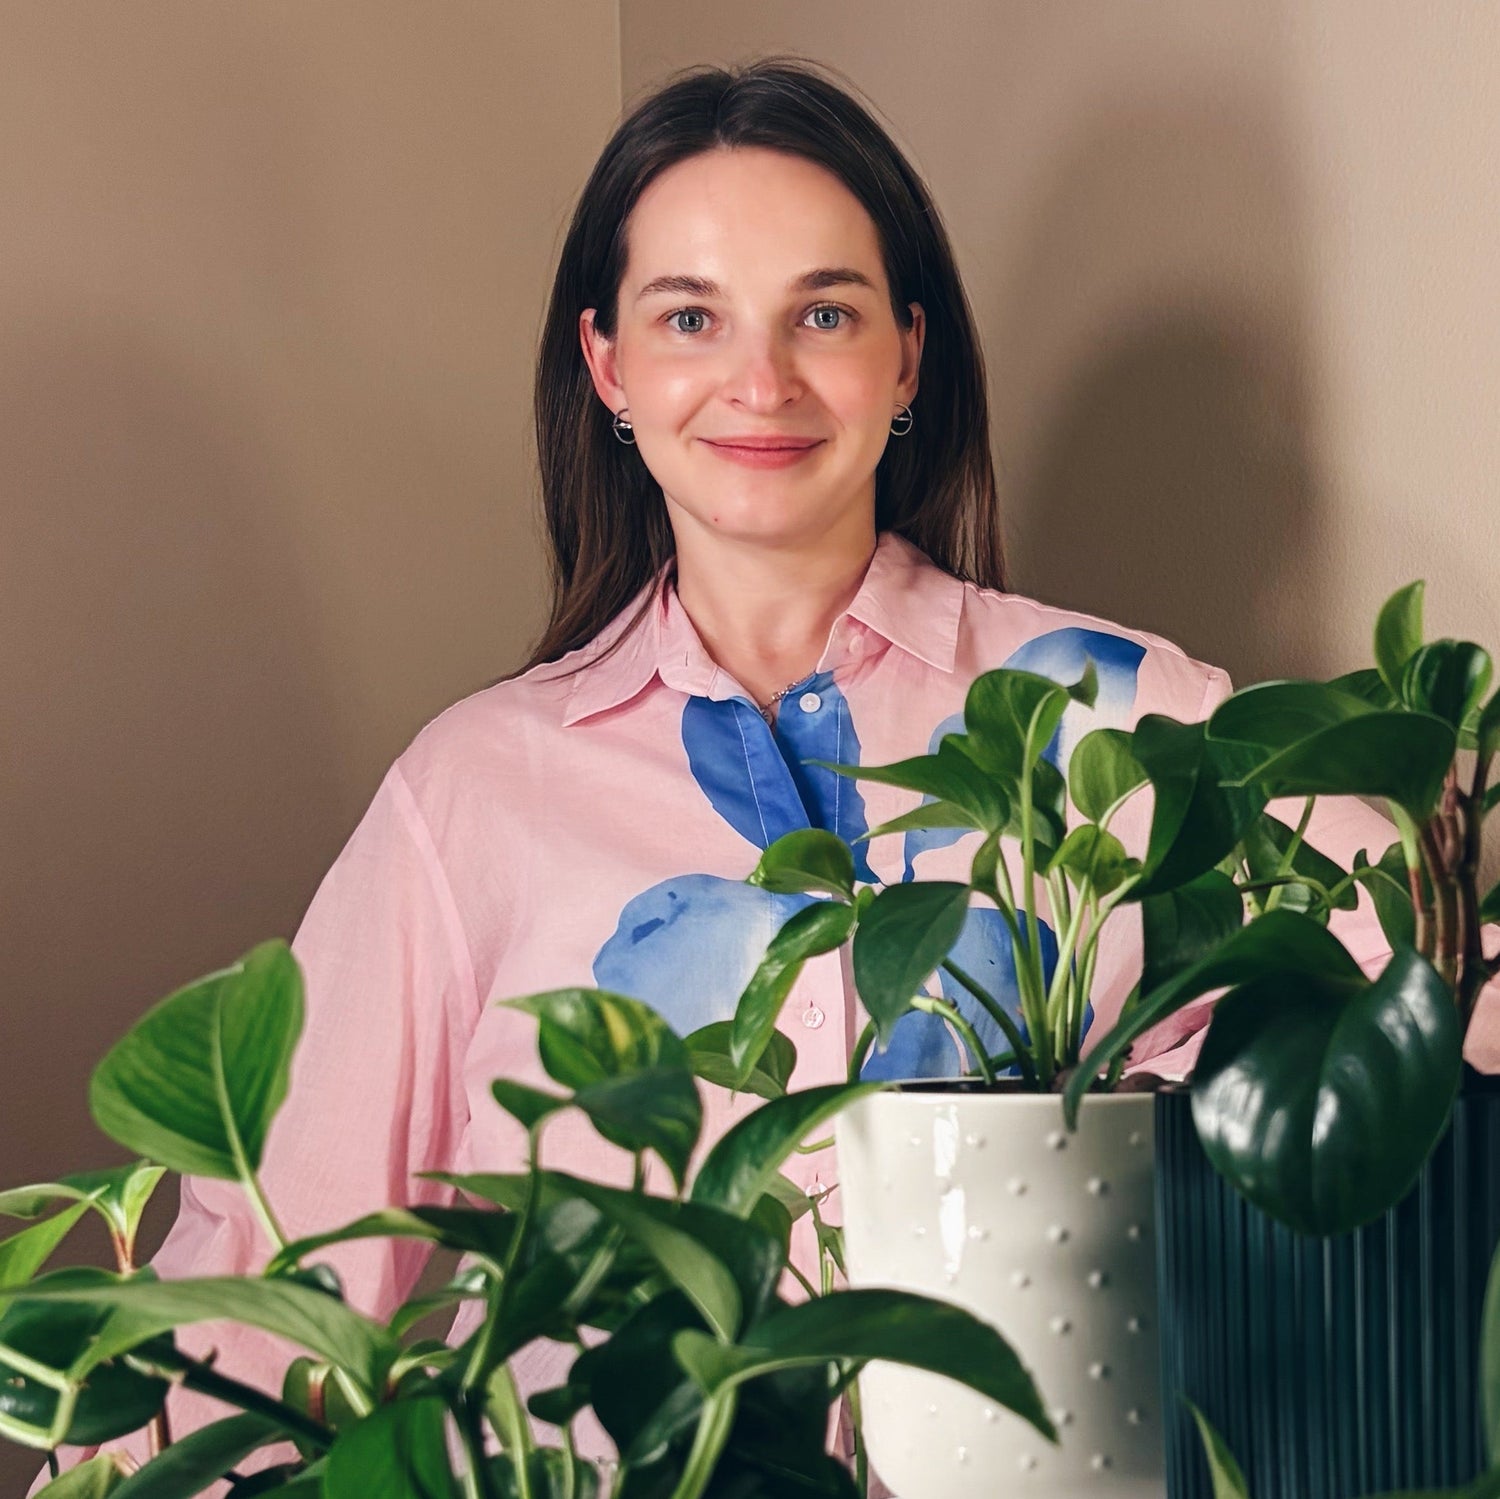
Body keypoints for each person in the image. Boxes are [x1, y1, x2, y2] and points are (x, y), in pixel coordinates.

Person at [42, 53, 1422, 1493]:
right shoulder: (473, 798)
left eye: (822, 313)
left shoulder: (1120, 715)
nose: (761, 382)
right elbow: (276, 1296)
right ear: (610, 369)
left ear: (906, 357)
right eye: (690, 317)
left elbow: (1421, 993)